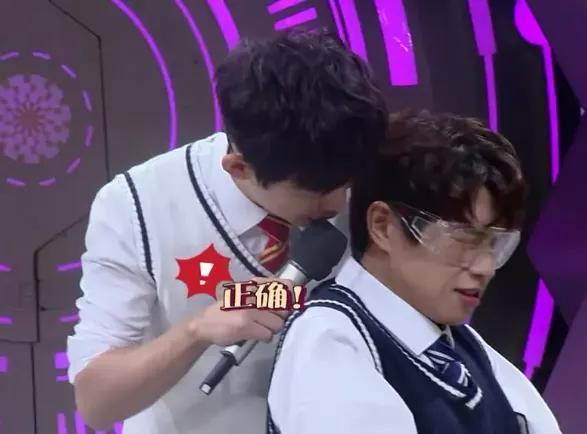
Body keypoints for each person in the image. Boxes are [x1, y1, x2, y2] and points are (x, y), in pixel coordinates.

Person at [67, 29, 388, 434]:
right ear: (239, 168)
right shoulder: (134, 206)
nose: (339, 205)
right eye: (317, 192)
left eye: (346, 184)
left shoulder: (356, 170)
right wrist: (197, 330)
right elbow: (97, 403)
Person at [267, 110, 562, 434]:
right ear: (383, 226)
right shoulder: (330, 341)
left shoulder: (463, 345)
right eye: (464, 238)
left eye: (496, 244)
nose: (485, 267)